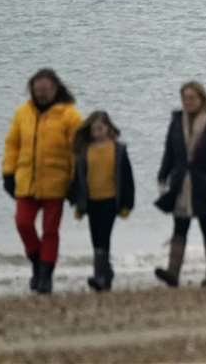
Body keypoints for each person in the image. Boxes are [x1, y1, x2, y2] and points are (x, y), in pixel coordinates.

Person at [2, 68, 82, 294]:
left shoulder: (70, 115)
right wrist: (8, 173)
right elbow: (12, 144)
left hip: (56, 184)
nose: (42, 94)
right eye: (37, 90)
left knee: (50, 231)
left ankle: (45, 276)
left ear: (56, 89)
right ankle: (37, 263)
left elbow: (78, 151)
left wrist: (76, 180)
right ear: (31, 90)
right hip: (25, 182)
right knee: (22, 223)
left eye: (46, 90)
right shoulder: (22, 113)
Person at [154, 81, 206, 287]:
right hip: (181, 184)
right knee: (179, 227)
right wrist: (162, 177)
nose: (187, 102)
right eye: (184, 98)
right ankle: (172, 273)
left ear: (201, 99)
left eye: (191, 98)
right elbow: (169, 151)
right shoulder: (177, 121)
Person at [69, 111, 136, 291]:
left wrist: (127, 205)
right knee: (95, 238)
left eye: (100, 128)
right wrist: (77, 204)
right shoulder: (84, 151)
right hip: (91, 201)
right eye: (94, 129)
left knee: (103, 237)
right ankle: (106, 272)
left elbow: (128, 179)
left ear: (108, 128)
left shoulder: (118, 149)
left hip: (110, 200)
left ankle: (100, 276)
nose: (97, 132)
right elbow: (78, 180)